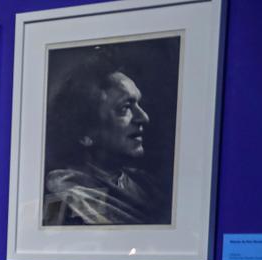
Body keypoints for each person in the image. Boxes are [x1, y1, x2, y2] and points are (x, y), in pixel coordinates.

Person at [42, 50, 169, 226]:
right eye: (125, 107)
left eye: (138, 104)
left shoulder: (146, 185)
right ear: (85, 133)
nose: (144, 118)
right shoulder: (63, 199)